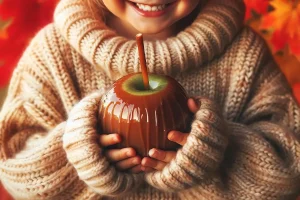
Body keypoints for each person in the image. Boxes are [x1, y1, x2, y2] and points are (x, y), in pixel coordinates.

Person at [0, 0, 299, 199]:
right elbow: (13, 164)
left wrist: (219, 154)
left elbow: (290, 166)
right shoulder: (53, 53)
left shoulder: (244, 54)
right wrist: (77, 155)